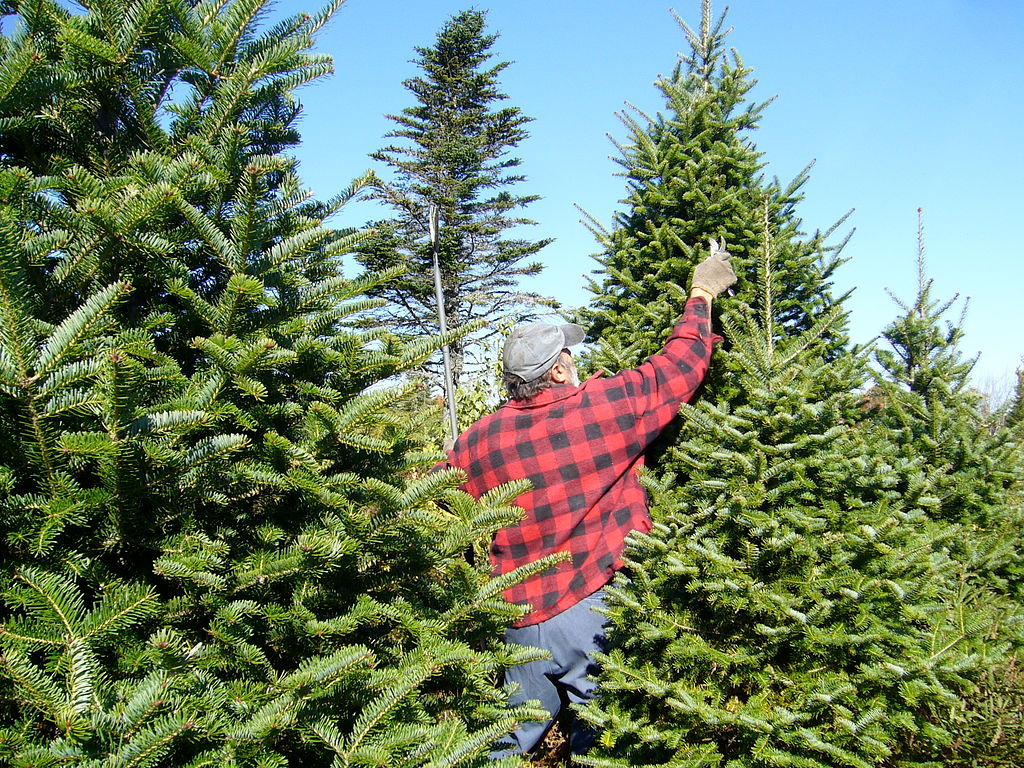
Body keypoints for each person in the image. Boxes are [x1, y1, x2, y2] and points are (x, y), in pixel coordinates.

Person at [440, 240, 737, 758]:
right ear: (558, 370)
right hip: (589, 603)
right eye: (570, 356)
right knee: (602, 738)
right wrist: (702, 291)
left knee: (504, 745)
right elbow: (679, 366)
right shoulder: (601, 408)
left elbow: (434, 495)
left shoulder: (478, 440)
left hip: (517, 618)